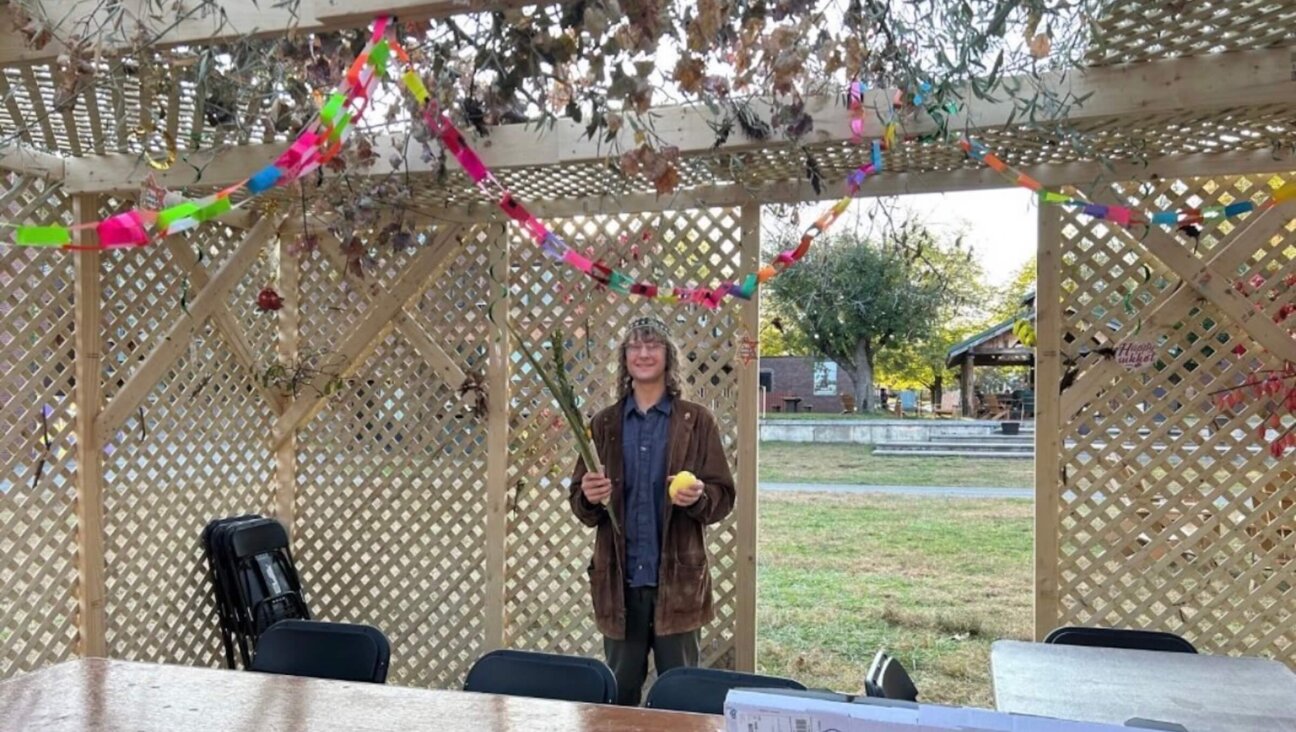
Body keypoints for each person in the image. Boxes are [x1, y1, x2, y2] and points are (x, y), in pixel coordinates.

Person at [569, 316, 736, 706]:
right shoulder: (603, 424)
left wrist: (698, 498)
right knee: (618, 696)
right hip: (619, 584)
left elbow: (723, 496)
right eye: (634, 346)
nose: (643, 353)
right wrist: (589, 497)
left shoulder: (697, 422)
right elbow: (580, 502)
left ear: (668, 356)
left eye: (653, 345)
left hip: (677, 585)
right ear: (625, 358)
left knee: (680, 696)